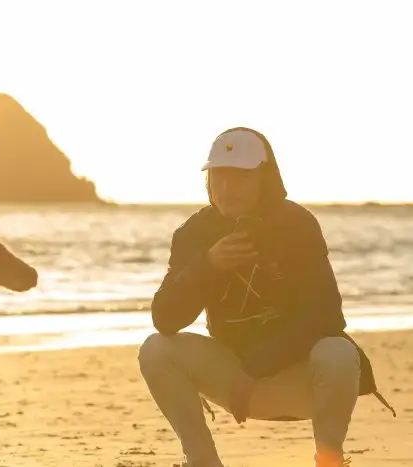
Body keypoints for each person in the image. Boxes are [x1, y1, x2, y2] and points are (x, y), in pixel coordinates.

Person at [137, 127, 396, 467]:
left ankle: (330, 460)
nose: (228, 188)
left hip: (297, 380)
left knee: (338, 352)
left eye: (241, 177)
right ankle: (202, 461)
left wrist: (257, 368)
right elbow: (165, 318)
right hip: (232, 378)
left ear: (265, 178)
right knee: (156, 349)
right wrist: (209, 265)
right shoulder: (194, 233)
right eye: (220, 176)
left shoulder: (296, 224)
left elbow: (326, 317)